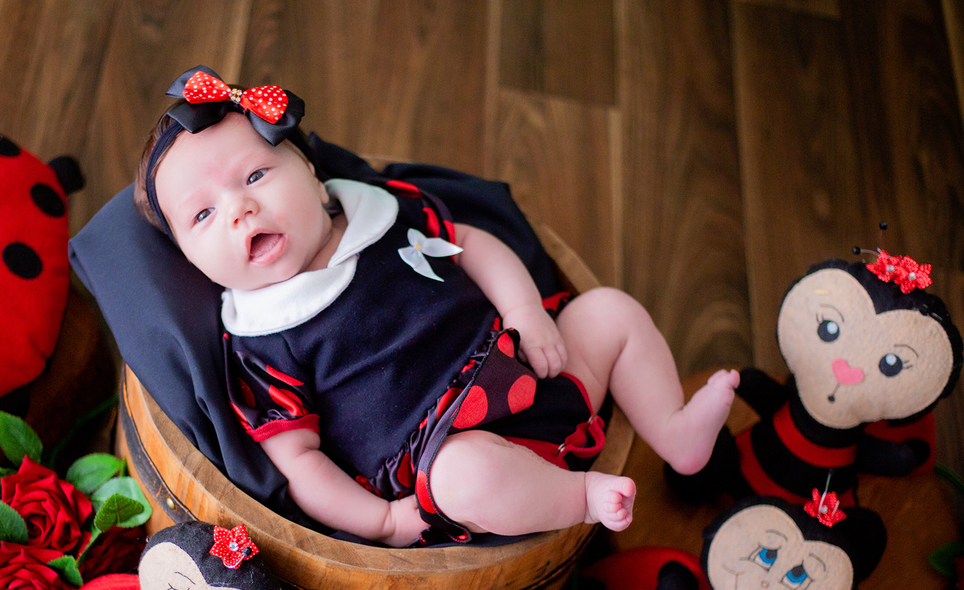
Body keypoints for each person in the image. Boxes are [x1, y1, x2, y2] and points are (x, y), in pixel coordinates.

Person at [134, 66, 739, 548]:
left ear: (314, 177)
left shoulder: (386, 215)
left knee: (608, 311)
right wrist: (381, 522)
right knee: (466, 479)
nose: (239, 209)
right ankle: (578, 498)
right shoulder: (262, 340)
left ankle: (677, 434)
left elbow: (473, 246)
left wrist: (526, 312)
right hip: (442, 449)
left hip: (534, 368)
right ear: (191, 260)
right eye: (203, 215)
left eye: (256, 174)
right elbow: (298, 459)